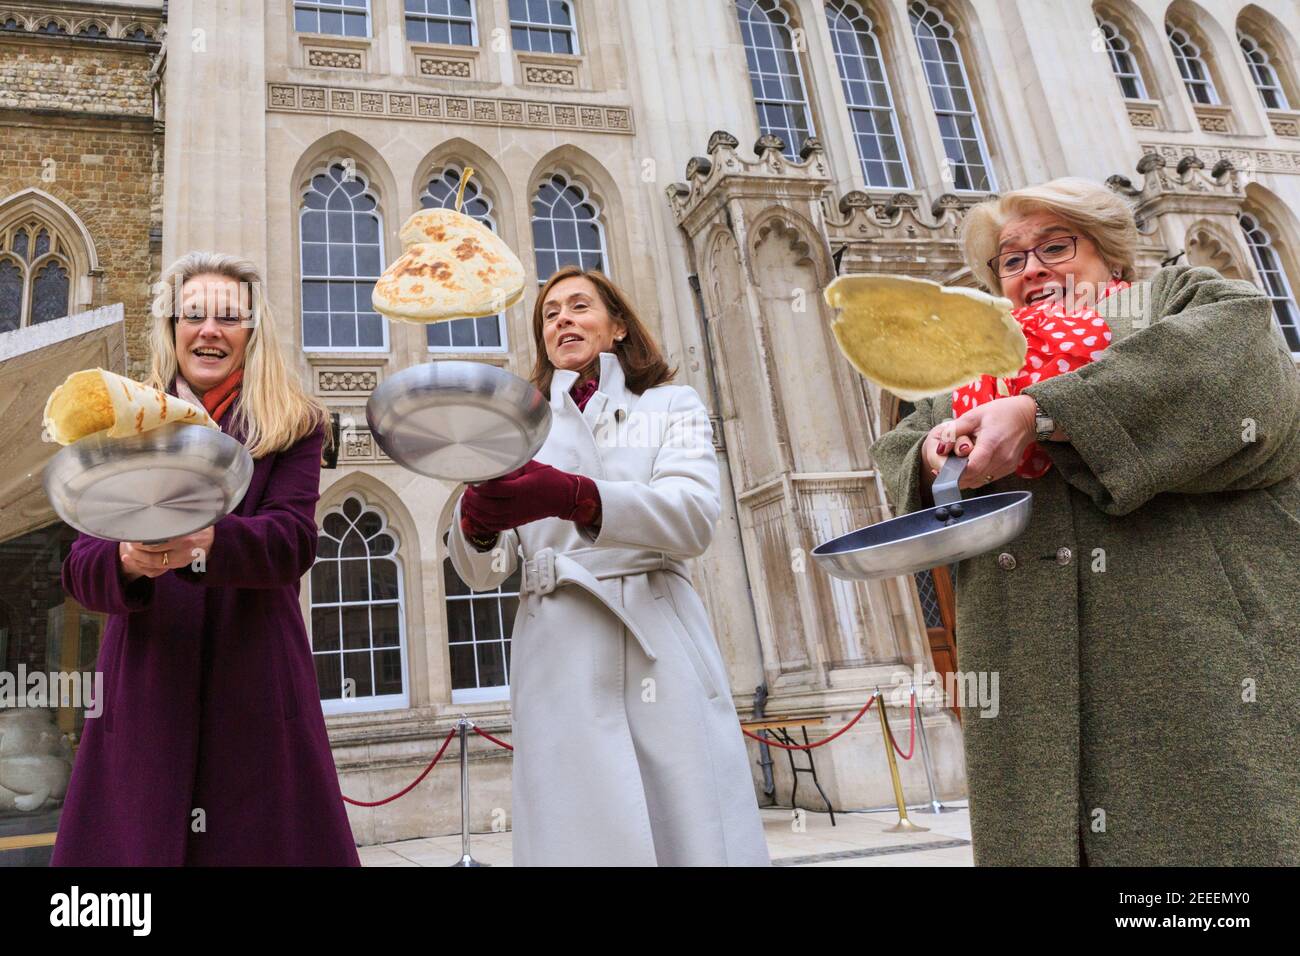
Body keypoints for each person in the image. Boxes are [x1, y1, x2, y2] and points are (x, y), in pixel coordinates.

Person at [871, 178, 1300, 865]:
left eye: (1056, 246)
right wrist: (931, 456)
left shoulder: (1174, 301)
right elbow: (901, 450)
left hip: (1198, 657)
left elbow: (1244, 375)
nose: (1031, 269)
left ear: (1114, 261)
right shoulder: (976, 368)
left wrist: (1046, 413)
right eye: (1011, 260)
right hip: (1025, 669)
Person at [449, 265, 771, 866]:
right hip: (556, 644)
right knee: (579, 832)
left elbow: (694, 517)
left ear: (618, 325)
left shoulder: (671, 404)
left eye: (578, 306)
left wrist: (577, 497)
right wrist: (477, 524)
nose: (562, 319)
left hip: (657, 634)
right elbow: (484, 572)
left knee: (686, 824)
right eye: (550, 314)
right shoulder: (520, 428)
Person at [52, 252, 360, 866]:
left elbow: (294, 540)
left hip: (256, 675)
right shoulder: (125, 424)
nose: (209, 329)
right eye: (193, 315)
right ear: (172, 329)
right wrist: (128, 561)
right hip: (146, 678)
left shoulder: (294, 423)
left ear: (251, 332)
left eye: (228, 317)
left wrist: (208, 542)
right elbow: (80, 568)